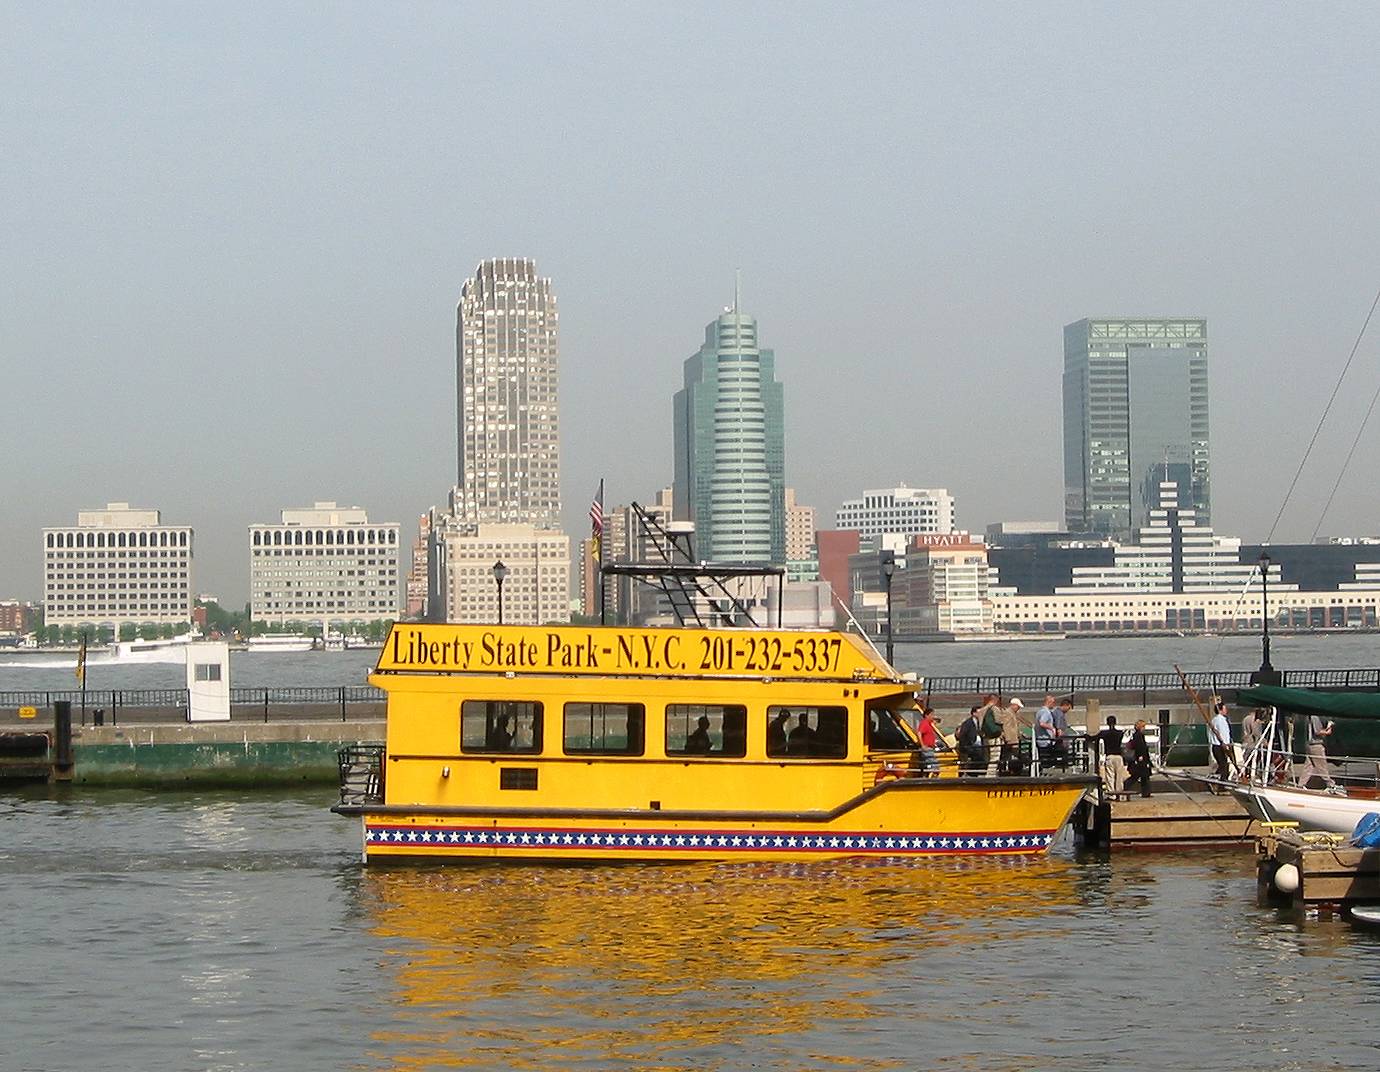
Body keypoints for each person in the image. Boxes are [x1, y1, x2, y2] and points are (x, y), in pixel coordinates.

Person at [1301, 713, 1336, 789]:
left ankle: (1301, 784)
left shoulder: (1308, 717)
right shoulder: (1314, 717)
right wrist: (1327, 731)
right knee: (1322, 765)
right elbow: (1317, 731)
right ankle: (1330, 784)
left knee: (1309, 765)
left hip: (1309, 745)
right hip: (1316, 745)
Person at [1095, 715, 1127, 796]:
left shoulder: (1104, 733)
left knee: (1110, 776)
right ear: (1115, 722)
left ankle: (1111, 794)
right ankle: (1119, 793)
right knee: (1119, 776)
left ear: (1107, 723)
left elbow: (1094, 737)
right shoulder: (1120, 733)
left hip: (1109, 756)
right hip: (1119, 756)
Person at [955, 704, 989, 777]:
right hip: (970, 746)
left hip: (980, 745)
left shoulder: (980, 722)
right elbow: (963, 736)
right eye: (979, 713)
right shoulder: (967, 723)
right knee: (977, 755)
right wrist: (965, 747)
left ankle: (980, 771)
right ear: (974, 713)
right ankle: (972, 773)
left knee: (985, 754)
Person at [995, 697, 1025, 776]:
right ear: (1014, 705)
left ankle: (1011, 769)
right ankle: (1008, 770)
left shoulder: (1012, 714)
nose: (1018, 709)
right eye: (1018, 707)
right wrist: (1008, 739)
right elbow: (1007, 726)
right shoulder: (1008, 713)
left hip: (1013, 739)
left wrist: (1019, 734)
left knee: (1012, 755)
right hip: (1011, 740)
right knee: (1010, 755)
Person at [1125, 718, 1153, 797]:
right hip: (1141, 759)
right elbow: (1140, 747)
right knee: (1142, 776)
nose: (1144, 728)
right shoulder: (1139, 736)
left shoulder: (1136, 735)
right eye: (1143, 727)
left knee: (1139, 776)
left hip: (1140, 758)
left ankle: (1145, 792)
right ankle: (1145, 792)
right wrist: (1141, 757)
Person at [1209, 700, 1233, 785]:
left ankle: (1216, 778)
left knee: (1222, 764)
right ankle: (1222, 783)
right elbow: (1222, 732)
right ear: (1220, 710)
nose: (1226, 711)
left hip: (1217, 745)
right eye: (1224, 709)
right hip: (1220, 745)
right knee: (1224, 765)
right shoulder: (1220, 720)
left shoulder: (1215, 720)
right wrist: (1226, 744)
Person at [916, 707, 946, 776]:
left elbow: (937, 720)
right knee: (935, 765)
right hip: (927, 748)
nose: (933, 716)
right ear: (926, 715)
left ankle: (925, 776)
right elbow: (919, 733)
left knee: (926, 766)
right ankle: (934, 777)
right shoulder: (924, 723)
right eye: (931, 715)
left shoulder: (929, 723)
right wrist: (922, 745)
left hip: (931, 747)